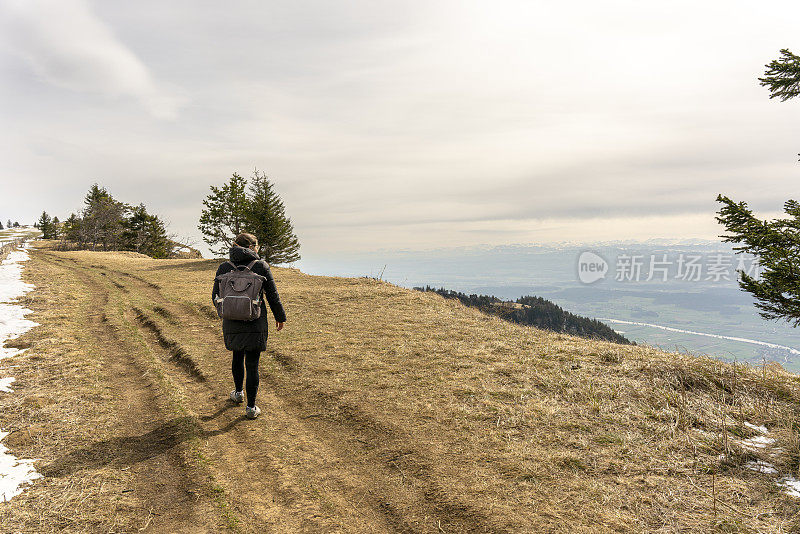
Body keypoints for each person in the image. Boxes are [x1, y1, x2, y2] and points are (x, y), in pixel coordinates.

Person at [212, 232, 286, 419]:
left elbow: (215, 296)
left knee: (237, 356)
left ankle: (238, 393)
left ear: (235, 245)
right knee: (252, 364)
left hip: (231, 320)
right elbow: (272, 296)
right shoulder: (260, 266)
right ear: (253, 247)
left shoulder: (224, 267)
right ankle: (251, 408)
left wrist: (229, 309)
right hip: (256, 320)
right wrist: (280, 316)